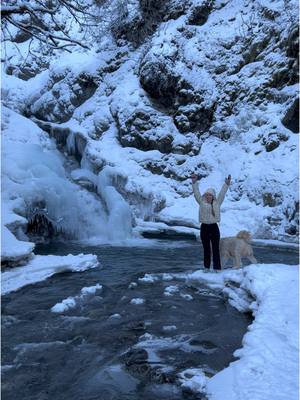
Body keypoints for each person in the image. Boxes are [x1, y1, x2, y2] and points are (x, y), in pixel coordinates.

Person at [191, 174, 231, 271]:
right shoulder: (201, 202)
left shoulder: (217, 203)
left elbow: (222, 193)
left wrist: (226, 184)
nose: (208, 196)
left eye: (210, 195)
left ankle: (217, 268)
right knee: (206, 249)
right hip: (204, 227)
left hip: (214, 227)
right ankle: (206, 267)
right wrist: (194, 183)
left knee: (215, 249)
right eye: (207, 194)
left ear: (213, 196)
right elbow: (196, 193)